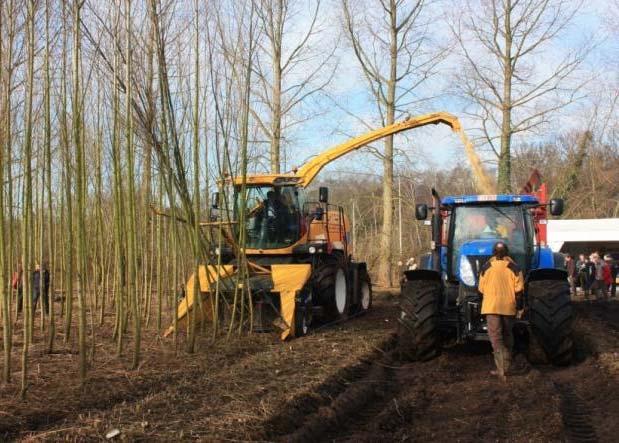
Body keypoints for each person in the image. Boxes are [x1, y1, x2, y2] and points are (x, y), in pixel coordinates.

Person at [478, 241, 524, 382]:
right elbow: (519, 288)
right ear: (507, 252)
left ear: (493, 252)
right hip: (508, 307)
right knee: (507, 334)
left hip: (491, 307)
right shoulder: (514, 267)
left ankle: (501, 369)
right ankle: (507, 365)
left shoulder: (486, 267)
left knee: (495, 337)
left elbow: (481, 288)